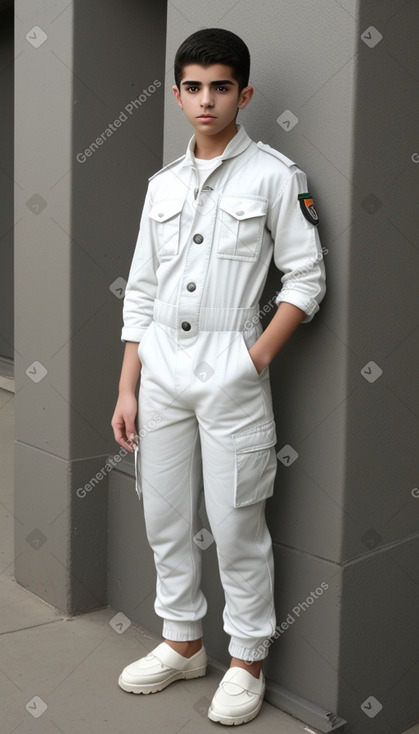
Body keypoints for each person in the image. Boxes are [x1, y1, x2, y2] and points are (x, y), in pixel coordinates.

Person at [111, 27, 326, 727]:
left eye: (221, 86)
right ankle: (181, 643)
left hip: (228, 372)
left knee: (236, 526)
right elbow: (141, 290)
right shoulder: (160, 186)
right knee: (163, 518)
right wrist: (127, 386)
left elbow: (307, 278)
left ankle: (246, 661)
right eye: (194, 86)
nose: (207, 100)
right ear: (176, 95)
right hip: (160, 377)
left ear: (244, 93)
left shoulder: (274, 175)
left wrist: (251, 359)